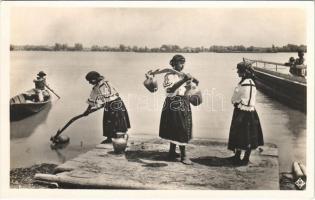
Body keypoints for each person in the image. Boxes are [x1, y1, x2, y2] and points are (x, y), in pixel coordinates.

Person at [151, 55, 197, 165]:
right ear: (174, 64)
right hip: (173, 102)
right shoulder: (169, 76)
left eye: (183, 63)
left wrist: (190, 86)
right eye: (180, 63)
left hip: (183, 101)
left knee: (179, 127)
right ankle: (183, 155)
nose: (182, 65)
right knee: (179, 127)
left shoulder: (182, 75)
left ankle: (172, 152)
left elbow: (186, 89)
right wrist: (184, 80)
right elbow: (170, 89)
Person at [228, 61, 264, 165]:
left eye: (239, 70)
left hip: (245, 112)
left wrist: (237, 105)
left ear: (244, 72)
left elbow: (245, 101)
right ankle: (238, 156)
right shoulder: (247, 82)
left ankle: (244, 159)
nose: (237, 72)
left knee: (245, 134)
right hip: (244, 111)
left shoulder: (248, 84)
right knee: (242, 134)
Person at [83, 71, 130, 144]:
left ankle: (120, 138)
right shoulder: (95, 88)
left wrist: (101, 104)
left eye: (90, 80)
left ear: (95, 79)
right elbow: (92, 99)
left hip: (116, 104)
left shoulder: (105, 83)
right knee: (108, 121)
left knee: (118, 120)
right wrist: (87, 110)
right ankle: (109, 138)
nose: (89, 82)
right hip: (108, 105)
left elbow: (108, 96)